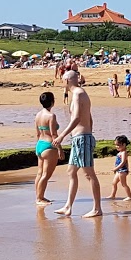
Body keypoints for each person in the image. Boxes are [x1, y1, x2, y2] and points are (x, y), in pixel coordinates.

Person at [54, 69, 103, 218]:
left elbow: (75, 118)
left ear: (67, 81)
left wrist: (62, 135)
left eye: (63, 81)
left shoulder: (77, 94)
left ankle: (97, 209)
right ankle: (68, 207)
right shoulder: (81, 93)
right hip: (80, 138)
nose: (62, 84)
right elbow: (90, 118)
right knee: (71, 171)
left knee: (89, 174)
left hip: (81, 138)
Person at [33, 90, 61, 206]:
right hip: (49, 146)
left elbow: (38, 133)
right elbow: (54, 134)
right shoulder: (51, 116)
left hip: (40, 144)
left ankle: (39, 196)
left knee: (40, 173)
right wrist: (60, 149)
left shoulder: (38, 115)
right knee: (46, 175)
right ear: (52, 102)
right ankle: (39, 198)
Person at [109, 134, 131, 202]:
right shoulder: (120, 152)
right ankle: (113, 195)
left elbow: (123, 162)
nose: (117, 147)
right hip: (119, 170)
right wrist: (116, 169)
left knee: (123, 184)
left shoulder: (124, 153)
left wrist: (116, 168)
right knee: (114, 183)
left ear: (124, 144)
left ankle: (129, 196)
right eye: (116, 145)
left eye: (118, 145)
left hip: (123, 170)